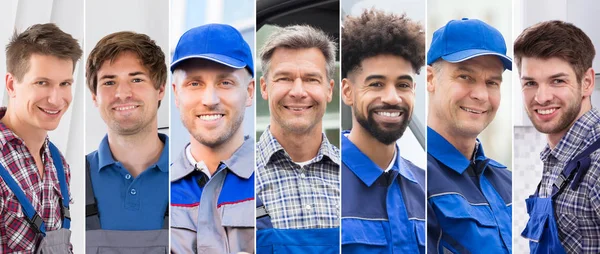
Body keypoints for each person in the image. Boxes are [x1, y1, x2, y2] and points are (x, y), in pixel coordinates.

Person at [340, 9, 425, 253]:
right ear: (347, 92)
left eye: (403, 85)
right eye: (376, 84)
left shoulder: (427, 188)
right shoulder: (326, 183)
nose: (392, 97)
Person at [426, 18, 513, 253]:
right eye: (465, 77)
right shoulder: (412, 178)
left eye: (492, 82)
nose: (481, 95)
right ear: (430, 79)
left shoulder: (509, 182)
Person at [515, 20, 600, 254]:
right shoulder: (556, 157)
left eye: (557, 81)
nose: (541, 98)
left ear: (587, 83)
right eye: (530, 83)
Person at [170, 23, 255, 254]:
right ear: (176, 94)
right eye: (194, 83)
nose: (209, 99)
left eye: (225, 82)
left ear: (249, 92)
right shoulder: (158, 190)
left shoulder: (275, 178)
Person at [255, 24, 340, 253]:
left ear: (329, 90)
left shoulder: (353, 177)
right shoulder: (238, 174)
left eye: (312, 79)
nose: (298, 92)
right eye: (284, 78)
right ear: (264, 87)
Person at [0, 22, 81, 254]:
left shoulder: (59, 164)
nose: (56, 100)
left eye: (64, 84)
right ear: (11, 84)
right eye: (42, 83)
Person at [85, 31, 169, 253]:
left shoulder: (191, 176)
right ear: (94, 96)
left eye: (136, 79)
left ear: (160, 89)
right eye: (109, 81)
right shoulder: (68, 178)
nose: (122, 93)